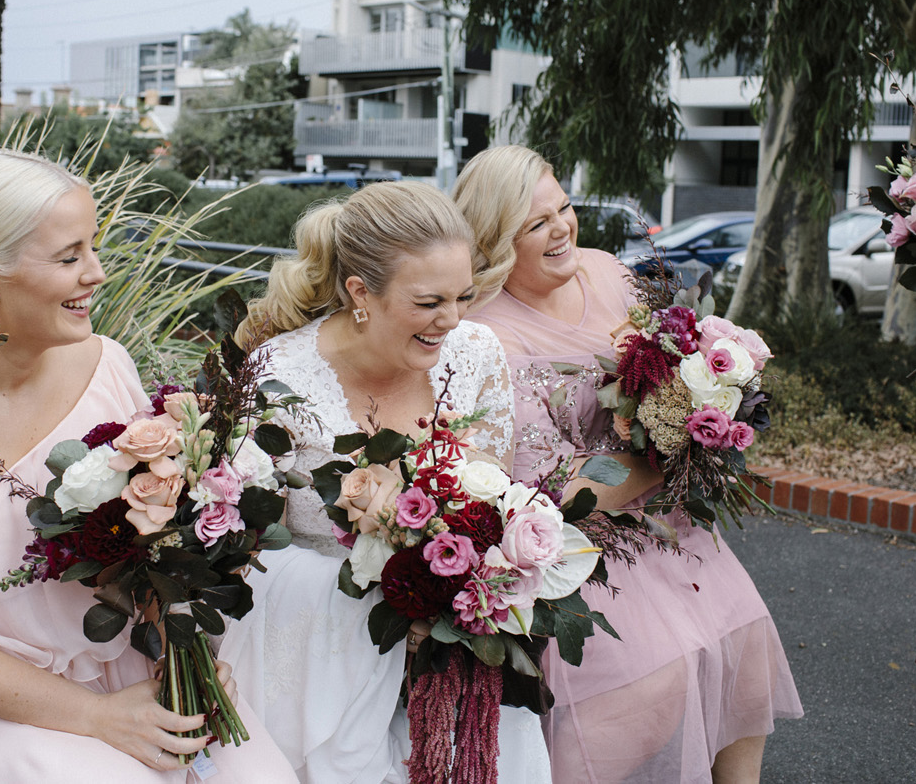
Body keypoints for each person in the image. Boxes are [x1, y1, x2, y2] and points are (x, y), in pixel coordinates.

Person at [0, 148, 297, 784]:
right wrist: (98, 719)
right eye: (69, 257)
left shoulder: (103, 362)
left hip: (128, 666)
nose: (96, 273)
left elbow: (158, 539)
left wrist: (184, 650)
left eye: (92, 248)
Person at [453, 145, 802, 784]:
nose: (561, 228)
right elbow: (556, 491)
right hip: (587, 544)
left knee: (743, 642)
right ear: (496, 240)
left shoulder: (608, 272)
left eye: (564, 209)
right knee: (653, 682)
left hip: (672, 524)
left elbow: (668, 358)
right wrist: (678, 449)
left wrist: (706, 400)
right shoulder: (486, 335)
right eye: (537, 224)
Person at [222, 181, 550, 783]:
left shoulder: (476, 352)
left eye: (464, 296)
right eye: (429, 302)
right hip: (313, 654)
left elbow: (496, 497)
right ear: (359, 292)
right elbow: (242, 543)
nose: (450, 320)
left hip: (452, 645)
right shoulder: (281, 374)